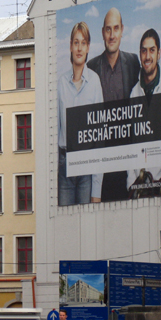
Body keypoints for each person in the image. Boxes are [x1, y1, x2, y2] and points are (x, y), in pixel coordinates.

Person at [87, 7, 141, 202]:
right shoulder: (91, 67)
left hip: (127, 159)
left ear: (122, 30)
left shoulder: (134, 62)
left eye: (115, 28)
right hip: (101, 160)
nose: (111, 35)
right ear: (103, 32)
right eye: (108, 29)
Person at [126, 29, 161, 198]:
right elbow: (131, 142)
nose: (147, 56)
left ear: (159, 53)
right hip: (141, 186)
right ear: (140, 55)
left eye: (152, 50)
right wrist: (132, 181)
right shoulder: (134, 93)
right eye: (143, 50)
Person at [58, 21, 104, 205]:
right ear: (70, 46)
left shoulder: (94, 82)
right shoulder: (60, 84)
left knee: (87, 227)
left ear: (88, 47)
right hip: (64, 167)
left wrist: (97, 190)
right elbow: (55, 133)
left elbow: (100, 137)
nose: (79, 48)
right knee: (64, 227)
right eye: (76, 42)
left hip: (87, 165)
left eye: (83, 43)